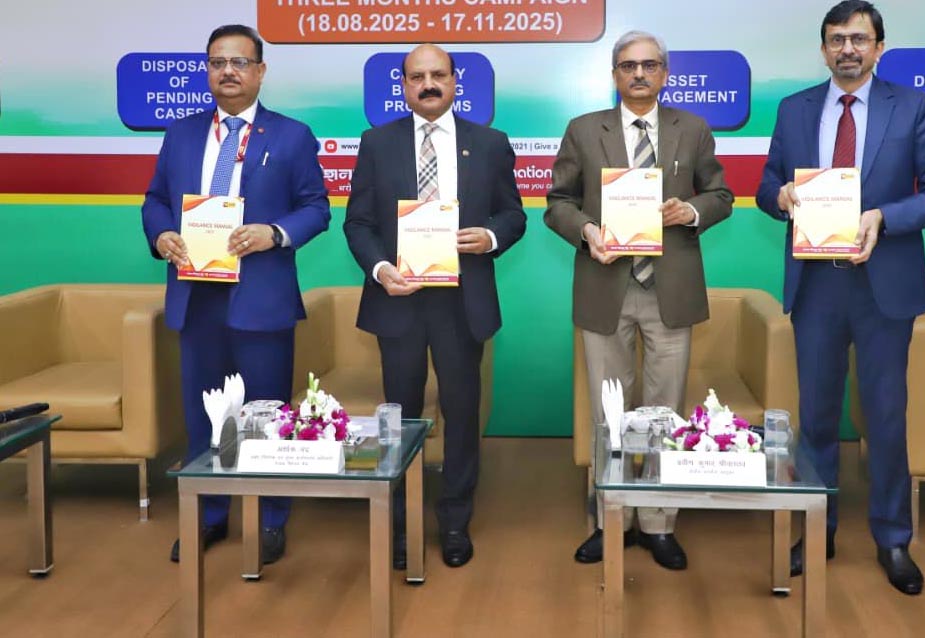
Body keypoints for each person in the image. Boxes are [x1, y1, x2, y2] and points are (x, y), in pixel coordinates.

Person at [756, 1, 925, 595]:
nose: (847, 48)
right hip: (816, 285)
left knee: (886, 418)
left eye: (859, 38)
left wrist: (883, 217)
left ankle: (893, 539)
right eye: (836, 39)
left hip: (883, 288)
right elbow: (767, 184)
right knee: (816, 418)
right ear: (823, 49)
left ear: (878, 47)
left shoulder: (911, 106)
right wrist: (781, 197)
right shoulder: (794, 109)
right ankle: (817, 530)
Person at [142, 24, 331, 565]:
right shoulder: (181, 133)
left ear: (260, 71)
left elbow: (316, 208)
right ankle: (210, 514)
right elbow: (155, 200)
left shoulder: (291, 135)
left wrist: (275, 233)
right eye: (218, 62)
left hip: (261, 297)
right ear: (207, 70)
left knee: (265, 414)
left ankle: (271, 518)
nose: (228, 71)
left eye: (240, 62)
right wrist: (162, 233)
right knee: (204, 416)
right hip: (196, 295)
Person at [545, 30, 733, 570]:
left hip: (670, 288)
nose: (639, 74)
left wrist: (690, 211)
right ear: (614, 75)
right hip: (605, 284)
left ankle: (657, 522)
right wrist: (587, 230)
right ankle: (612, 519)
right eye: (628, 66)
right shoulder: (584, 130)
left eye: (649, 65)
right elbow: (557, 203)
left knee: (664, 411)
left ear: (665, 73)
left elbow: (720, 195)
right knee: (609, 413)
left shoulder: (692, 128)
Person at [343, 43, 526, 568]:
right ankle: (400, 522)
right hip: (398, 299)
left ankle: (454, 521)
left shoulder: (489, 143)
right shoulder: (376, 143)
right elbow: (358, 223)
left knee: (462, 413)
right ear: (403, 85)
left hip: (461, 301)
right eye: (417, 76)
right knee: (398, 417)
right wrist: (381, 269)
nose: (428, 84)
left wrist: (490, 237)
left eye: (438, 75)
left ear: (454, 82)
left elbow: (513, 215)